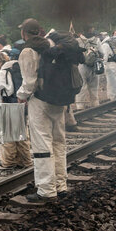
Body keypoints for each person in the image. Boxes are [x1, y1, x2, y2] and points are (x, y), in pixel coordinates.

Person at [16, 19, 67, 203]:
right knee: (58, 142)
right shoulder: (52, 44)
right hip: (59, 98)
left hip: (40, 100)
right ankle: (61, 186)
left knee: (42, 144)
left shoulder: (28, 51)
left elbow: (29, 82)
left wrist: (21, 95)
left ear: (24, 33)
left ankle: (46, 190)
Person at [0, 50, 31, 168]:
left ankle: (9, 161)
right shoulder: (20, 67)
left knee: (8, 135)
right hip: (22, 104)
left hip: (8, 105)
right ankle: (25, 160)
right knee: (22, 133)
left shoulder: (4, 71)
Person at [100, 32, 116, 102]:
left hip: (110, 64)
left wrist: (102, 65)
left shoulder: (105, 44)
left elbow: (105, 56)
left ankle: (112, 98)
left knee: (111, 82)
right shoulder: (113, 42)